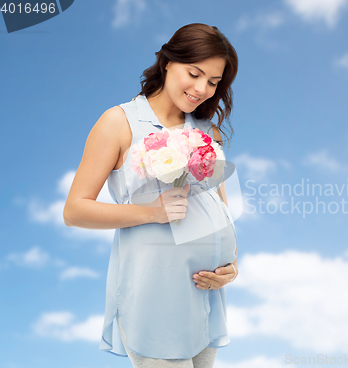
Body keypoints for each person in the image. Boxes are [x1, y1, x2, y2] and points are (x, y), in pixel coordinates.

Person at [63, 23, 239, 368]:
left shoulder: (208, 130)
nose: (202, 89)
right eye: (194, 73)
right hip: (154, 293)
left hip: (205, 293)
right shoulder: (118, 122)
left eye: (214, 83)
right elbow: (75, 210)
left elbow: (222, 207)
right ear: (168, 61)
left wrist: (232, 266)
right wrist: (152, 212)